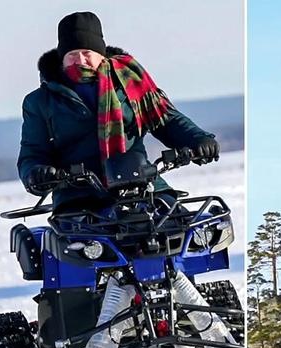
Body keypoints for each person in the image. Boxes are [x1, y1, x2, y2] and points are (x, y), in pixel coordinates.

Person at [17, 11, 220, 212]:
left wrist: (199, 140)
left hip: (142, 184)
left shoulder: (130, 82)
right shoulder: (40, 102)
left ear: (101, 54)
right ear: (62, 58)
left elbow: (167, 120)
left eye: (87, 53)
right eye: (72, 55)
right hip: (78, 196)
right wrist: (37, 173)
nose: (80, 60)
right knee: (82, 242)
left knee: (185, 228)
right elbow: (33, 151)